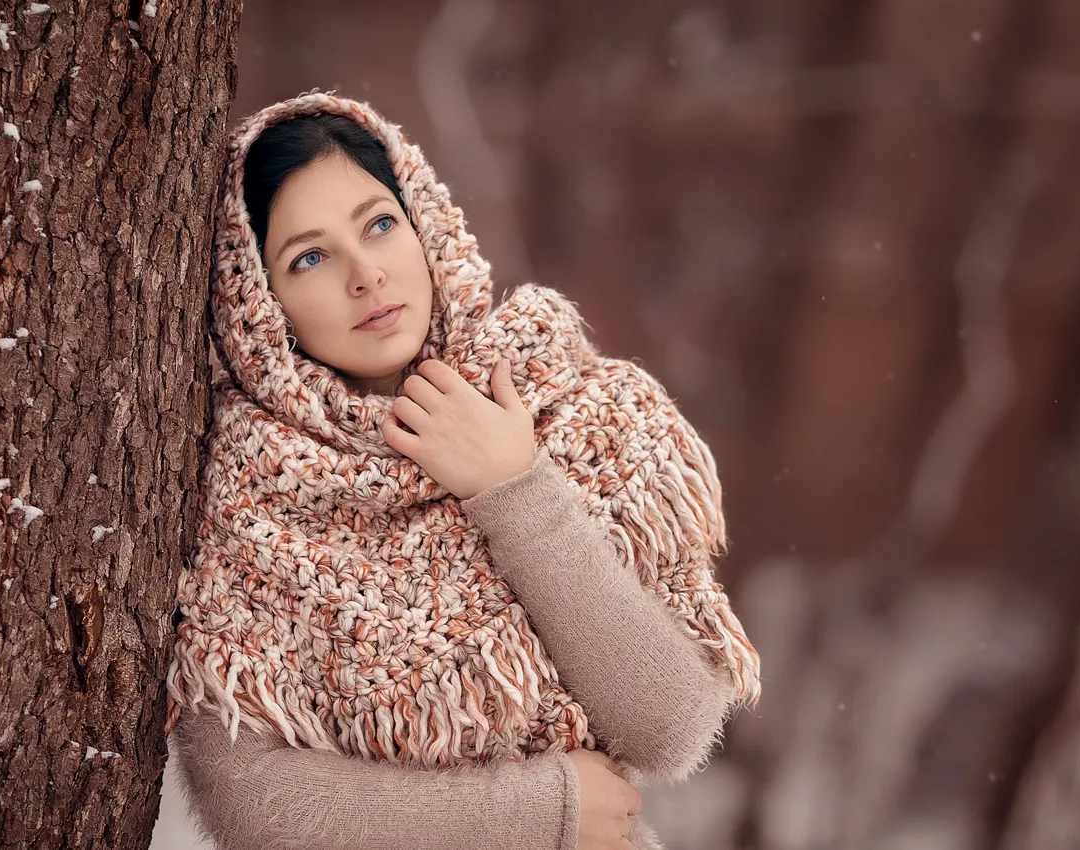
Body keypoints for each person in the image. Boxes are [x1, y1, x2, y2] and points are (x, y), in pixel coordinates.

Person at [165, 91, 761, 850]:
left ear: (426, 226)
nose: (366, 276)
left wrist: (515, 487)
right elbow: (253, 802)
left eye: (380, 225)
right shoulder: (244, 506)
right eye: (309, 257)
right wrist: (541, 812)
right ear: (258, 304)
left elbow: (672, 724)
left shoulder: (571, 406)